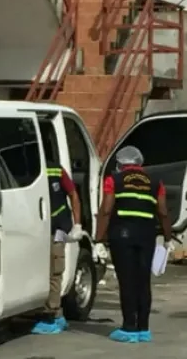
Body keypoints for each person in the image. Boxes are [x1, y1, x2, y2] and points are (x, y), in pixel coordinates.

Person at [93, 146, 173, 343]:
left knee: (127, 281)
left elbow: (106, 210)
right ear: (139, 163)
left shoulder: (114, 180)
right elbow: (163, 212)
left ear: (120, 164)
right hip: (147, 236)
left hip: (122, 236)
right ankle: (143, 328)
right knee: (143, 281)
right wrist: (168, 237)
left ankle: (129, 327)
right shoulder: (156, 182)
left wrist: (98, 239)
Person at [31, 158, 84, 335]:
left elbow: (73, 194)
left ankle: (51, 314)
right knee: (42, 270)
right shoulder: (27, 167)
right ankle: (54, 312)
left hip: (57, 228)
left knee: (54, 270)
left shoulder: (55, 170)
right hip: (37, 228)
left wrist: (77, 224)